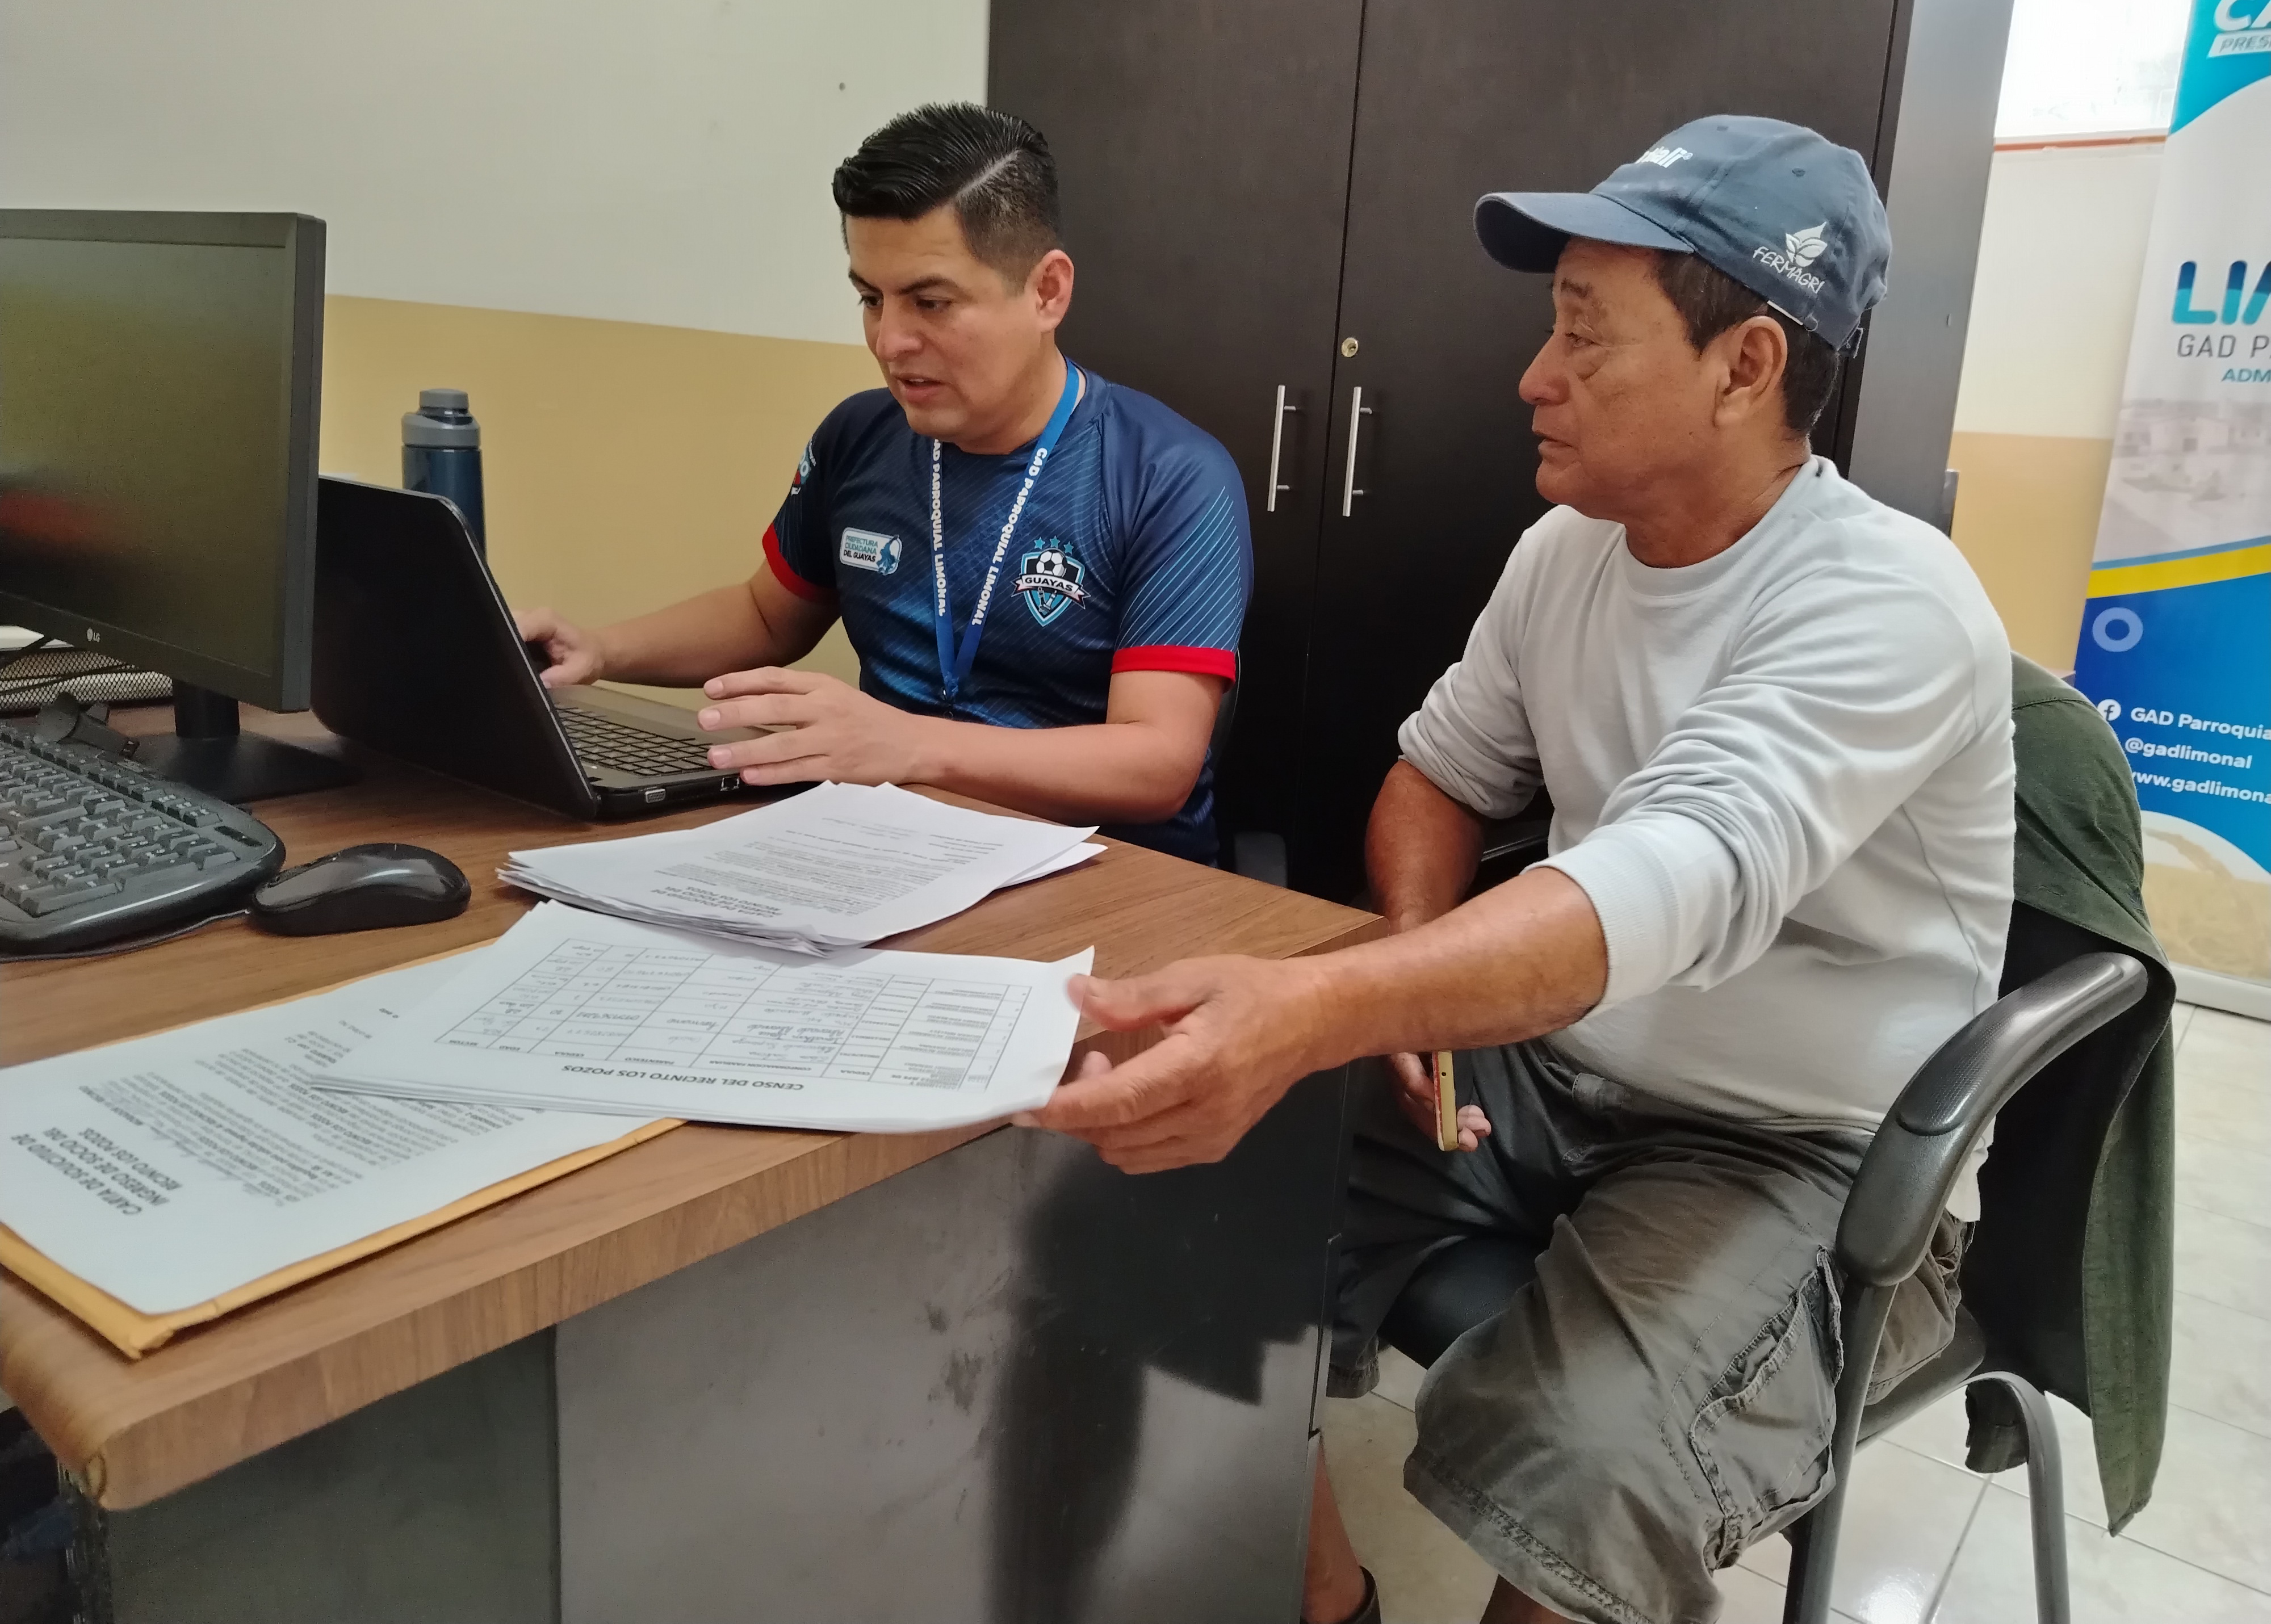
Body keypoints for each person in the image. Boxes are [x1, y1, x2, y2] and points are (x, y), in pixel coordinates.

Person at [1023, 116, 2016, 1624]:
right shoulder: (1569, 551)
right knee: (1142, 1180)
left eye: (1582, 336)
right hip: (1550, 1075)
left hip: (1793, 1147)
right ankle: (1330, 1603)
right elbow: (1437, 776)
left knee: (1584, 1459)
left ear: (1746, 366)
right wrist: (1412, 980)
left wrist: (1324, 1005)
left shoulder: (1887, 601)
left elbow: (1668, 879)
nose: (1531, 377)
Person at [517, 103, 1251, 863]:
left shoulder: (1169, 475)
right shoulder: (860, 436)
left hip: (1111, 874)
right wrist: (599, 649)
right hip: (889, 853)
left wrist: (910, 745)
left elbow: (1157, 763)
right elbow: (766, 616)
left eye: (930, 303)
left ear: (1047, 292)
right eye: (871, 299)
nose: (890, 341)